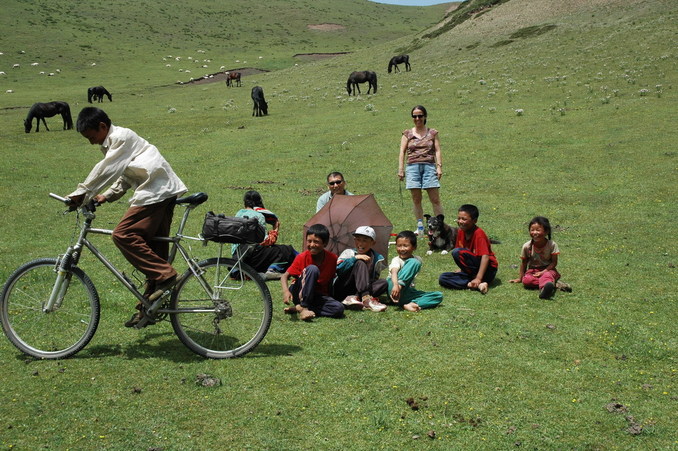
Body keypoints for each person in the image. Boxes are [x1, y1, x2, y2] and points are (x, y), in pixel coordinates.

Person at [66, 107, 187, 327]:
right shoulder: (115, 143)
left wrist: (81, 192)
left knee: (123, 234)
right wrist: (105, 196)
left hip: (156, 191)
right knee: (153, 248)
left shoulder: (121, 137)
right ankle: (147, 309)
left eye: (92, 137)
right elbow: (124, 174)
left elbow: (106, 168)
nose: (91, 142)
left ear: (102, 127)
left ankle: (166, 275)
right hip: (162, 190)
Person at [280, 224, 344, 321]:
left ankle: (299, 308)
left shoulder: (332, 258)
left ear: (325, 243)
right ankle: (304, 307)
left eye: (316, 242)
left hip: (316, 294)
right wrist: (286, 291)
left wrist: (330, 298)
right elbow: (284, 276)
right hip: (299, 292)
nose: (312, 245)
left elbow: (330, 280)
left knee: (338, 309)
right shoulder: (302, 257)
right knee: (312, 269)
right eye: (309, 241)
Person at [397, 105, 443, 233]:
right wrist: (401, 169)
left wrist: (439, 167)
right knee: (416, 199)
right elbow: (402, 152)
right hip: (412, 167)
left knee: (435, 199)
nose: (417, 118)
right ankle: (420, 226)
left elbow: (438, 150)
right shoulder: (407, 133)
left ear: (425, 117)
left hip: (429, 166)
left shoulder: (432, 133)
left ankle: (440, 226)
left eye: (420, 116)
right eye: (415, 116)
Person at [233, 191, 298, 279]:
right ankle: (272, 270)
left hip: (237, 257)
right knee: (285, 250)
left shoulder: (239, 214)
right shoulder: (259, 216)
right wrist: (275, 229)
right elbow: (265, 241)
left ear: (245, 202)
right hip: (252, 257)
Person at [439, 204, 498, 294]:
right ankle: (477, 285)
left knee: (457, 252)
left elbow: (485, 257)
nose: (460, 221)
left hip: (488, 270)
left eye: (464, 219)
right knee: (443, 278)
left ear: (474, 221)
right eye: (459, 218)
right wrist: (463, 269)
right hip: (473, 270)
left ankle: (478, 280)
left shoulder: (479, 234)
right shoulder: (460, 232)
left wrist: (478, 277)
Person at [509, 216, 571, 299]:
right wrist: (520, 278)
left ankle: (545, 290)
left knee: (546, 276)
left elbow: (554, 262)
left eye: (538, 230)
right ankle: (552, 284)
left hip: (548, 269)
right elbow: (524, 263)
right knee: (527, 281)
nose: (534, 232)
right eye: (532, 230)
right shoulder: (527, 246)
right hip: (533, 271)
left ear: (546, 231)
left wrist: (543, 272)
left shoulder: (552, 245)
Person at [335, 226, 388, 312]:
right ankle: (366, 299)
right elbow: (338, 269)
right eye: (358, 239)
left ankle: (354, 298)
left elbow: (374, 279)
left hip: (359, 290)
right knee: (360, 263)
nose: (360, 243)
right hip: (344, 287)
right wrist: (355, 258)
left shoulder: (377, 258)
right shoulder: (348, 253)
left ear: (373, 243)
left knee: (384, 283)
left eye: (365, 240)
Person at [388, 231, 443, 312]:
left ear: (414, 247)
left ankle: (412, 304)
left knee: (438, 296)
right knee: (414, 262)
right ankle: (400, 287)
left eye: (405, 246)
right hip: (393, 287)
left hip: (406, 291)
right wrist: (396, 285)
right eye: (399, 246)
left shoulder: (418, 259)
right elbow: (394, 272)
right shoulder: (396, 260)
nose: (402, 249)